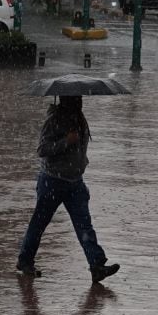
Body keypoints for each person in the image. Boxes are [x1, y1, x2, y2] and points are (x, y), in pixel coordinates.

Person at [17, 96, 118, 283]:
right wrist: (66, 141)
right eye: (76, 99)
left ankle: (96, 265)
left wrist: (81, 162)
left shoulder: (80, 119)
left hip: (75, 183)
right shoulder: (53, 121)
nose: (80, 102)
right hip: (52, 181)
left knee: (84, 225)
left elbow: (81, 148)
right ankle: (25, 261)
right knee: (39, 224)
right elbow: (42, 149)